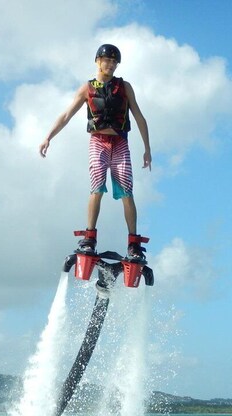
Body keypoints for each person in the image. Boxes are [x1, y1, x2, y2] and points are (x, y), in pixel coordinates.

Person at [39, 43, 152, 261]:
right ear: (97, 61)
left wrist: (147, 148)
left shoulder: (125, 87)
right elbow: (66, 115)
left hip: (120, 142)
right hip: (98, 141)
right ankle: (89, 238)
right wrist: (48, 137)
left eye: (114, 61)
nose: (110, 64)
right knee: (97, 186)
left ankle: (133, 243)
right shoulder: (87, 88)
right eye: (106, 60)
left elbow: (139, 117)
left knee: (127, 190)